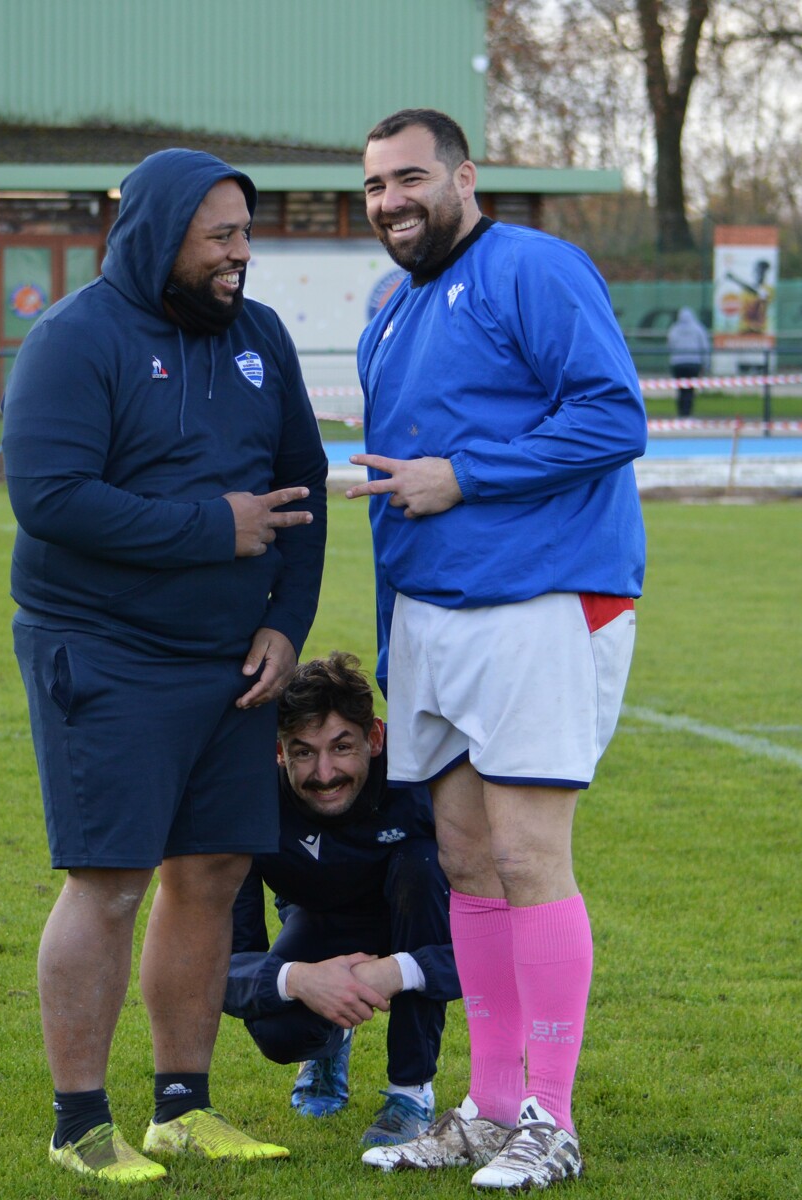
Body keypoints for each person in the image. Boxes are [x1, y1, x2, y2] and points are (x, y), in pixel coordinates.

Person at [2, 148, 328, 1183]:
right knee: (108, 883)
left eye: (246, 233)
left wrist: (286, 624)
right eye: (219, 235)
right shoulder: (75, 337)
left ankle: (182, 1109)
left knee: (214, 875)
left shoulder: (260, 336)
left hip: (234, 661)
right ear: (158, 237)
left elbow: (303, 487)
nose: (241, 253)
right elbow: (48, 497)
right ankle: (79, 1125)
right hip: (106, 650)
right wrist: (209, 528)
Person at [345, 109, 646, 1191]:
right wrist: (394, 646)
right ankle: (487, 1108)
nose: (391, 202)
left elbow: (613, 415)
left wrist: (465, 475)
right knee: (465, 861)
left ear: (464, 176)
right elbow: (396, 496)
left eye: (410, 178)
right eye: (374, 186)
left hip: (537, 601)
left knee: (526, 858)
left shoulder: (533, 267)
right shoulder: (387, 310)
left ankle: (549, 1120)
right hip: (429, 619)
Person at [223, 652, 460, 1147]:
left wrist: (400, 970)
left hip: (414, 917)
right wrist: (300, 979)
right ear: (279, 752)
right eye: (303, 752)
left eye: (342, 746)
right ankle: (328, 1046)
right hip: (320, 919)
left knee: (420, 866)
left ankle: (411, 1092)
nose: (325, 772)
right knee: (277, 1030)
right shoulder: (247, 799)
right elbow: (220, 966)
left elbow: (495, 946)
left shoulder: (424, 778)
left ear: (375, 738)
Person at [666, 306, 710, 417]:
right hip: (694, 363)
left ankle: (681, 413)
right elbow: (704, 346)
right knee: (690, 390)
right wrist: (706, 364)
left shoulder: (674, 329)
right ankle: (688, 413)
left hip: (678, 364)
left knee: (681, 389)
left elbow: (670, 345)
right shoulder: (698, 328)